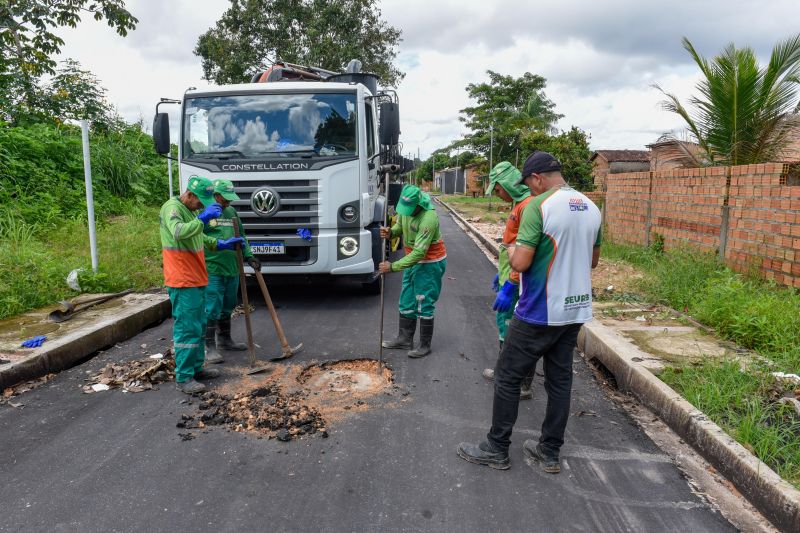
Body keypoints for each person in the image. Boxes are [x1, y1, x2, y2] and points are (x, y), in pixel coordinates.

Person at [457, 151, 602, 472]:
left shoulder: (539, 206)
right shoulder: (592, 207)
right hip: (575, 309)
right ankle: (549, 452)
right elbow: (593, 261)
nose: (529, 189)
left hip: (540, 308)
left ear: (537, 178)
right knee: (559, 381)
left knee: (507, 376)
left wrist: (510, 248)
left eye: (529, 183)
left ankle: (496, 447)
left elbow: (521, 262)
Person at [159, 175, 243, 394]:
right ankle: (185, 377)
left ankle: (196, 368)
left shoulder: (190, 211)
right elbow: (178, 232)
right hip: (182, 278)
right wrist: (204, 219)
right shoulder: (172, 209)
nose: (201, 206)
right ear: (189, 194)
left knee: (198, 325)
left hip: (196, 277)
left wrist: (219, 244)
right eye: (200, 202)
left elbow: (198, 238)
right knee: (187, 328)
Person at [483, 161, 537, 400]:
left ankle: (523, 385)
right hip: (511, 274)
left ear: (506, 184)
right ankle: (504, 371)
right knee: (505, 326)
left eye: (497, 190)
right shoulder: (519, 203)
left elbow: (527, 248)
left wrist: (512, 282)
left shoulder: (528, 205)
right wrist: (502, 271)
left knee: (519, 330)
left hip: (520, 281)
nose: (498, 195)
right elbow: (512, 244)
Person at [379, 185, 447, 358]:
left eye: (410, 209)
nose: (406, 212)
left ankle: (425, 345)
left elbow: (419, 253)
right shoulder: (405, 210)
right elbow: (399, 228)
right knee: (407, 299)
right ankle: (404, 339)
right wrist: (390, 233)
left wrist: (392, 266)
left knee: (424, 302)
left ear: (418, 205)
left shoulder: (429, 218)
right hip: (411, 261)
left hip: (429, 263)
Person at [202, 178, 261, 363]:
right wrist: (219, 244)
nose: (228, 202)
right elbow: (197, 236)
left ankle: (225, 340)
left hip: (232, 267)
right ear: (216, 195)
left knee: (228, 304)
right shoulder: (205, 212)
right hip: (213, 268)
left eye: (229, 199)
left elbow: (241, 235)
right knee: (212, 307)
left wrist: (249, 255)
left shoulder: (231, 211)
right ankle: (209, 347)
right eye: (225, 198)